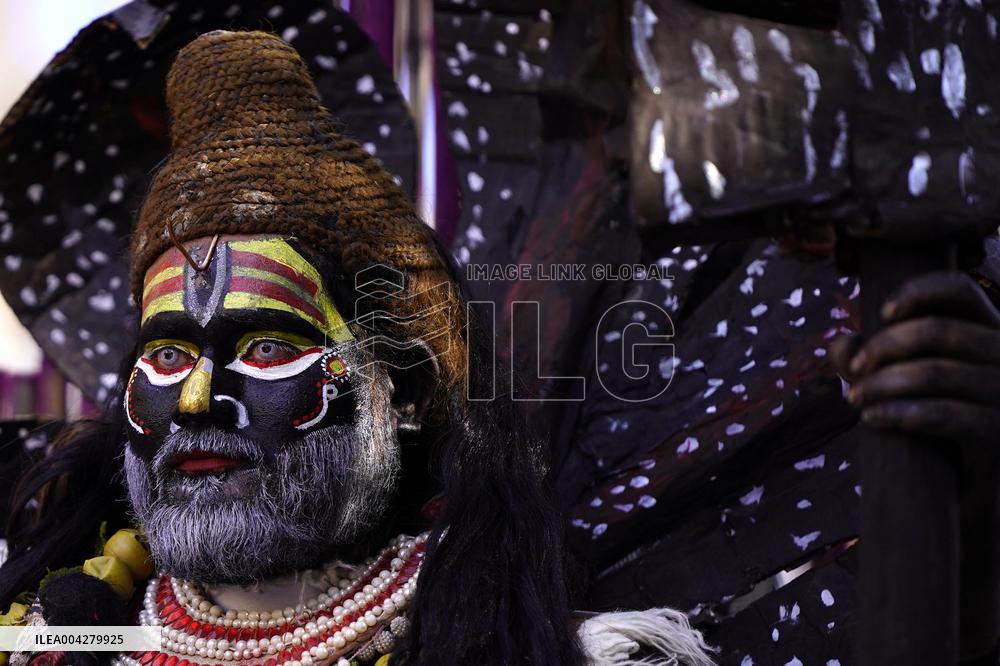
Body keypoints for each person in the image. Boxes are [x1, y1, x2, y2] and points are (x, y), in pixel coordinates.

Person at [0, 30, 715, 666]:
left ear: (398, 393)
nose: (194, 401)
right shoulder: (69, 635)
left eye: (270, 349)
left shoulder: (536, 646)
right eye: (166, 356)